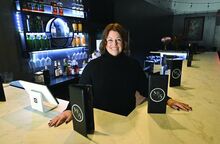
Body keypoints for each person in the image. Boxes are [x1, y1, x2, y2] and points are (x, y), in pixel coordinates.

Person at [48, 23, 192, 127]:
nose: (114, 44)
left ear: (123, 42)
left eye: (118, 40)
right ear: (105, 43)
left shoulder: (133, 65)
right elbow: (80, 92)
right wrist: (69, 110)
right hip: (100, 122)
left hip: (127, 120)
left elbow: (145, 88)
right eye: (110, 40)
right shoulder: (93, 66)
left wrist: (167, 100)